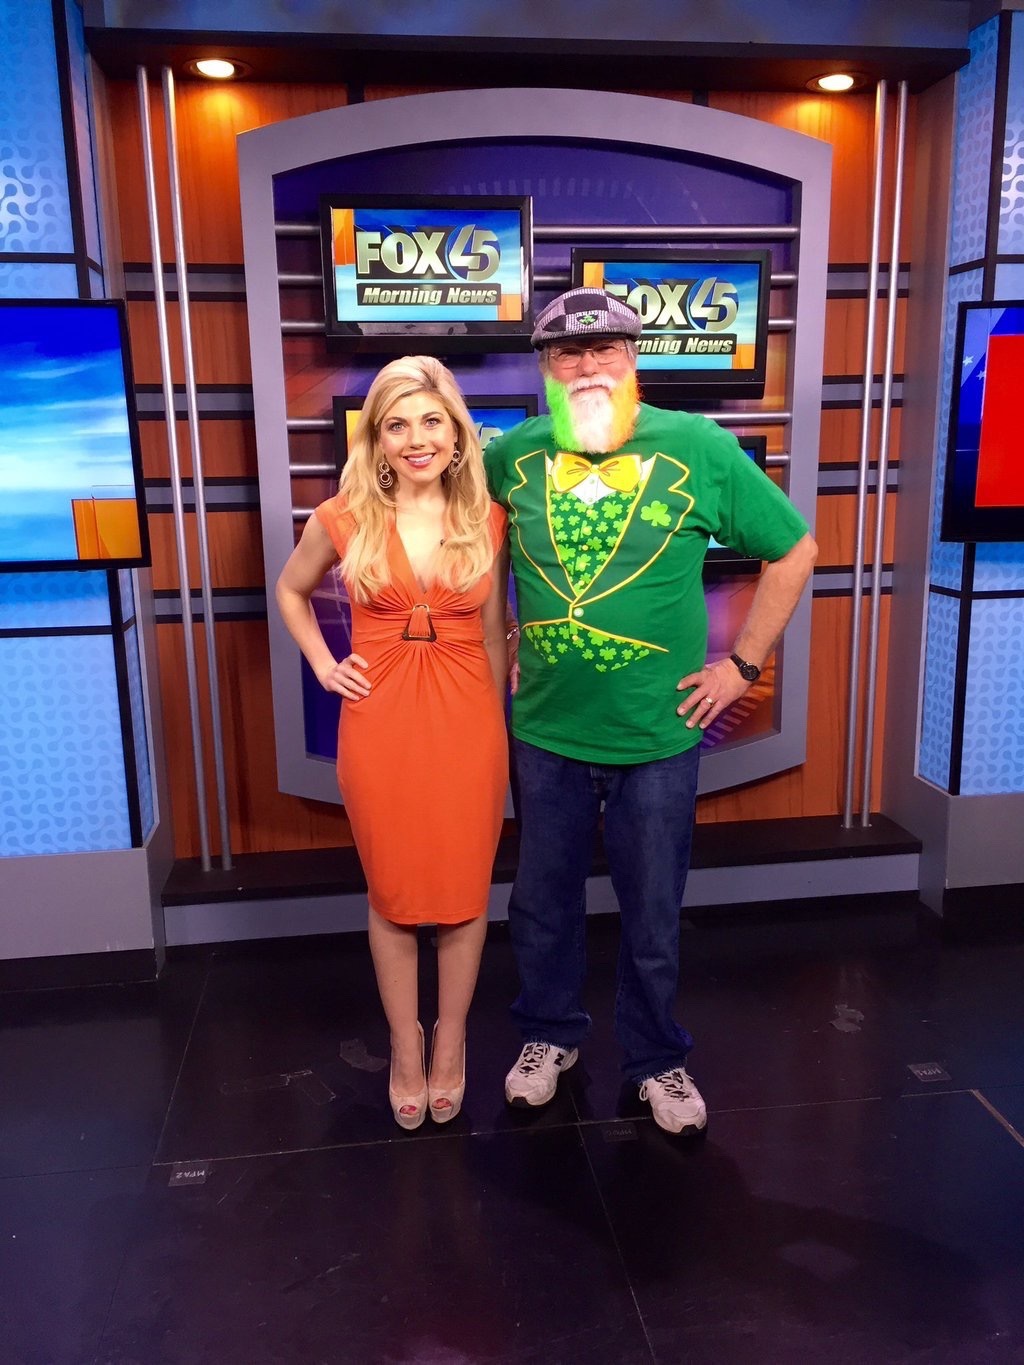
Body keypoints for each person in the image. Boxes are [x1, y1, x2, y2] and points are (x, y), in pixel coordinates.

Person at [484, 287, 817, 1136]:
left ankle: (654, 1057)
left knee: (654, 911)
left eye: (605, 349)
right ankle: (549, 1035)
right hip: (546, 732)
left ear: (633, 358)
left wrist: (742, 666)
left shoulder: (696, 445)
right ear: (545, 366)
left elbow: (794, 548)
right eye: (567, 352)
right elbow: (476, 562)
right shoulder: (511, 454)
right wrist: (508, 634)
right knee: (541, 905)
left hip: (660, 735)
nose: (587, 365)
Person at [276, 356, 510, 1130]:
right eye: (398, 424)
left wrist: (495, 730)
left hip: (468, 724)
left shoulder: (489, 519)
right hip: (379, 723)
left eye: (432, 421)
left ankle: (452, 1040)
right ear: (376, 438)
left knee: (465, 893)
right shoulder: (342, 516)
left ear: (457, 433)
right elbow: (291, 589)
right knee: (394, 893)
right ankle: (405, 1046)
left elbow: (491, 634)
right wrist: (324, 664)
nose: (417, 439)